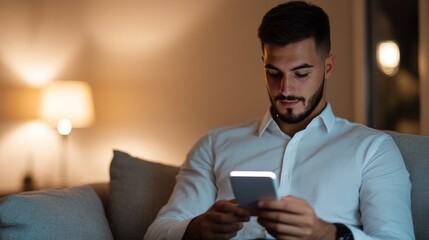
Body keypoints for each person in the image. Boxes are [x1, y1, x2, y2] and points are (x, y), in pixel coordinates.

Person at [145, 1, 415, 239]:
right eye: (274, 73)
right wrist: (197, 229)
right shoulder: (214, 145)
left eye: (300, 74)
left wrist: (329, 234)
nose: (285, 89)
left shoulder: (373, 149)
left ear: (328, 67)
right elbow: (157, 232)